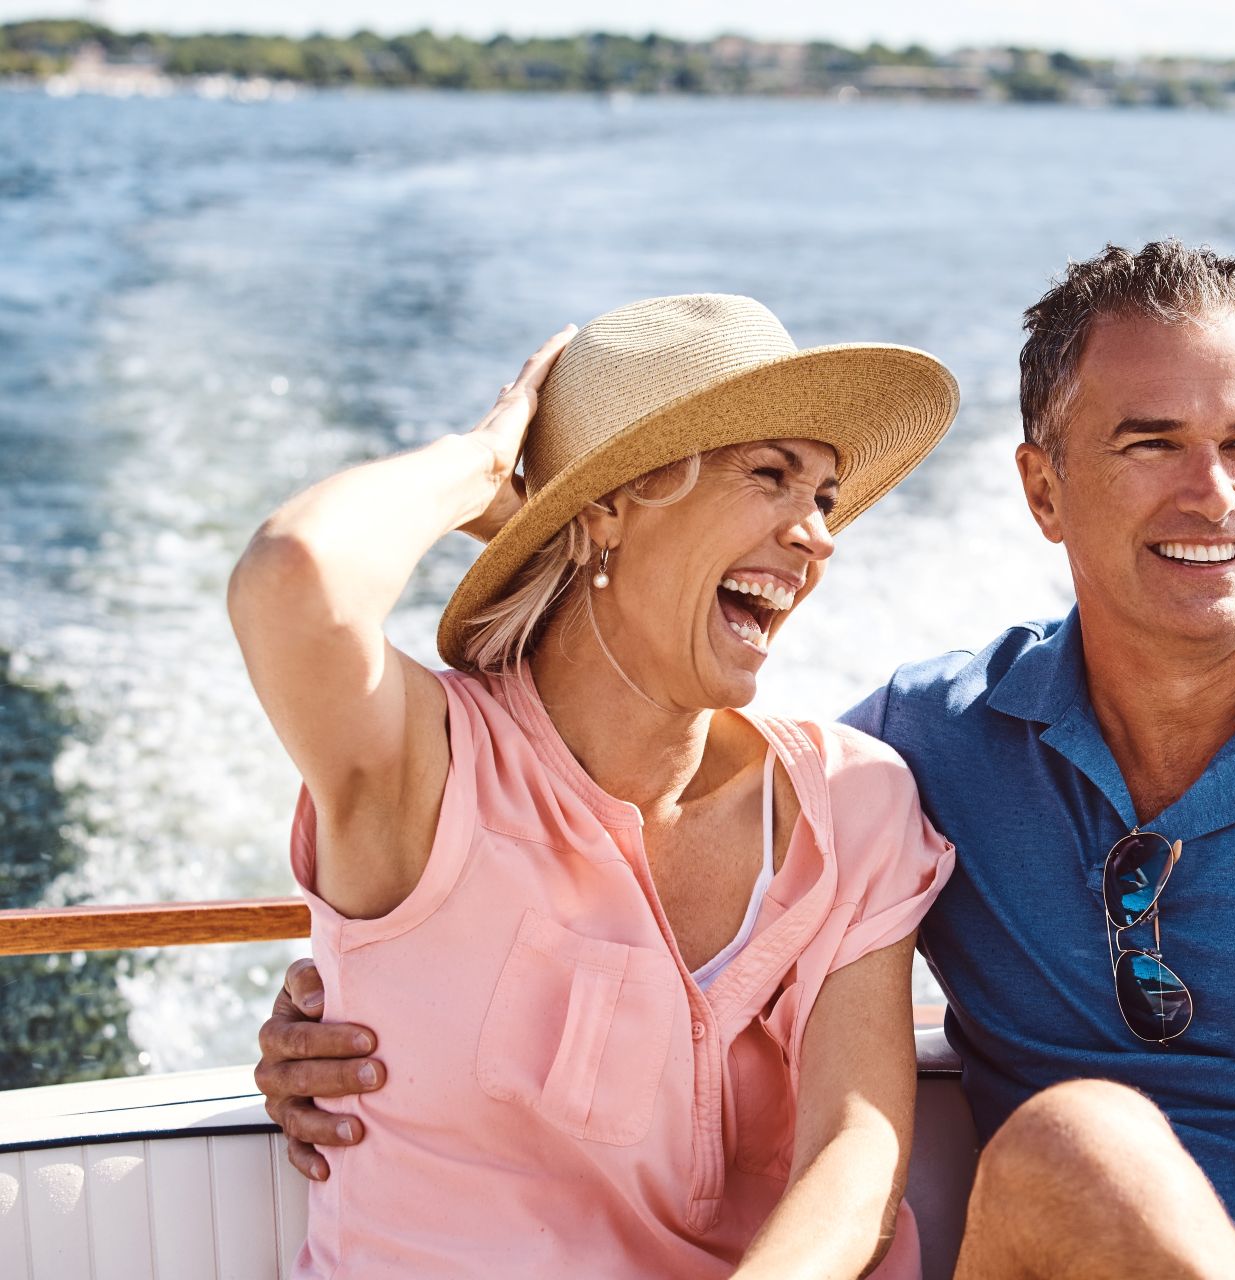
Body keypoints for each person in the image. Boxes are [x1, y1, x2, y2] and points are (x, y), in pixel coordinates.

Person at [257, 244, 1235, 1279]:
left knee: (1072, 1140)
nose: (1211, 495)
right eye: (1152, 444)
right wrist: (359, 973)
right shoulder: (925, 748)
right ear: (1041, 490)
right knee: (1073, 1145)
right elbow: (503, 780)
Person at [228, 293, 961, 1278]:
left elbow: (854, 1155)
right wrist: (488, 466)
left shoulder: (855, 802)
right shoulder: (428, 764)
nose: (818, 533)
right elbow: (293, 574)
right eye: (771, 476)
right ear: (609, 506)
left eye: (823, 495)